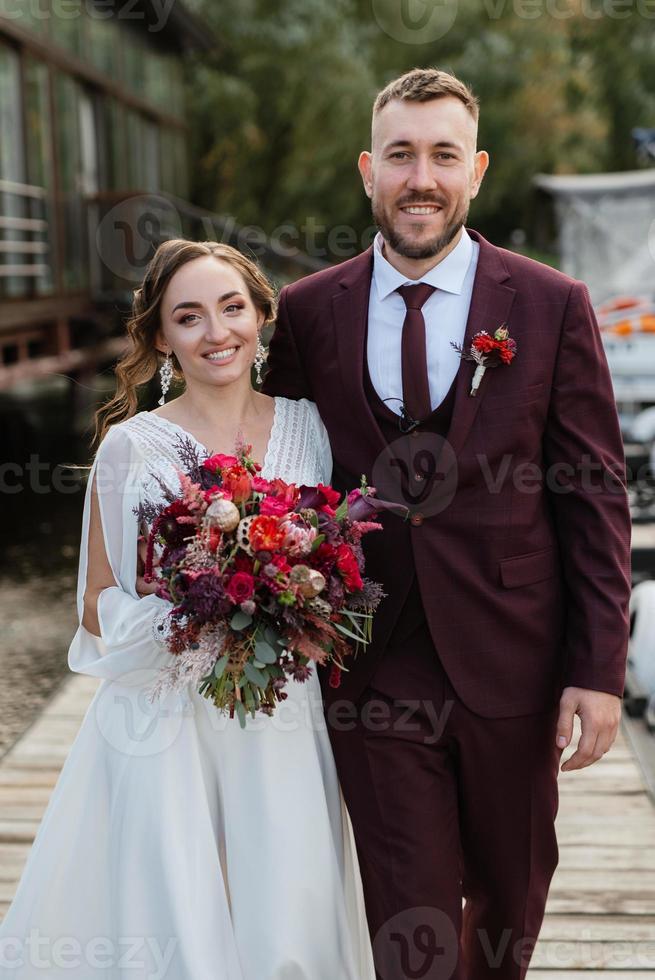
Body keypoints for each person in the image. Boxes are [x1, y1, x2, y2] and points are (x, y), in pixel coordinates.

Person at [262, 67, 632, 979]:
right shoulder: (309, 313)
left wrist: (598, 669)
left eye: (441, 155)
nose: (419, 177)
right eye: (399, 155)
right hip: (369, 651)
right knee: (410, 910)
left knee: (510, 893)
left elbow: (591, 494)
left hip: (513, 651)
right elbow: (275, 474)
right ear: (366, 170)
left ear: (477, 170)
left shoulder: (549, 305)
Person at [0, 240, 375, 980]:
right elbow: (96, 604)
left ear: (262, 315)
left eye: (232, 308)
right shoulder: (129, 448)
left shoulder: (313, 427)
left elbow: (346, 557)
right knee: (179, 921)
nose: (216, 332)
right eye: (189, 316)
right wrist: (190, 623)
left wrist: (300, 589)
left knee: (287, 906)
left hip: (283, 717)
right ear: (161, 337)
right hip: (170, 722)